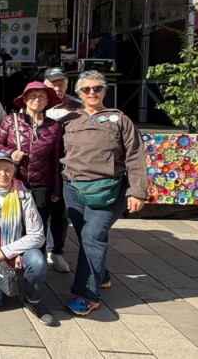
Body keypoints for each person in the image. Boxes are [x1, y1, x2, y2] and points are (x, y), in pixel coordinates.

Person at [60, 70, 147, 316]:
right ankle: (102, 275)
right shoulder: (68, 120)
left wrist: (137, 192)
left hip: (108, 191)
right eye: (86, 89)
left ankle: (87, 295)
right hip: (73, 189)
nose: (92, 93)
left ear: (104, 91)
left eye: (97, 88)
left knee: (92, 237)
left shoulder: (120, 120)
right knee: (86, 237)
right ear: (78, 93)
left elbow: (135, 156)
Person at [0, 152, 56, 327]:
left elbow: (37, 235)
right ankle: (3, 281)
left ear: (14, 171)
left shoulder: (24, 195)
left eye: (7, 169)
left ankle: (33, 300)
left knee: (38, 261)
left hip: (19, 250)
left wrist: (5, 251)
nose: (3, 174)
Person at [0, 82, 63, 254]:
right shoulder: (10, 121)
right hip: (15, 181)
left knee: (38, 225)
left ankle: (36, 265)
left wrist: (56, 190)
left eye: (42, 96)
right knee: (13, 221)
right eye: (32, 96)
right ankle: (12, 260)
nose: (37, 100)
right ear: (24, 100)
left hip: (41, 185)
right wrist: (10, 152)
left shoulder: (54, 127)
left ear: (47, 102)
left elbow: (56, 160)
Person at [42, 66, 82, 273]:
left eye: (61, 84)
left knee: (60, 211)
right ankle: (37, 251)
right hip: (41, 166)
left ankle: (56, 250)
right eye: (53, 83)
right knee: (39, 210)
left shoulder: (78, 106)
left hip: (67, 166)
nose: (57, 88)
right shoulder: (36, 102)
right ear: (45, 84)